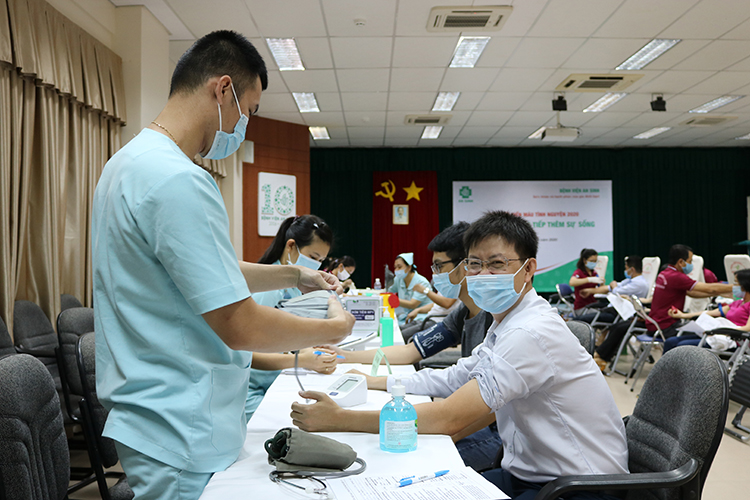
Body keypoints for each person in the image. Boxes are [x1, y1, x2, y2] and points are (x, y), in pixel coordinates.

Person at [92, 31, 355, 500]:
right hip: (180, 421)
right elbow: (240, 324)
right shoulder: (178, 179)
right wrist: (333, 330)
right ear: (224, 89)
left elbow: (202, 269)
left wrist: (293, 274)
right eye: (248, 111)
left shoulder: (128, 164)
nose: (243, 126)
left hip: (156, 410)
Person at [292, 211, 628, 500]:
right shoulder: (506, 324)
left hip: (579, 488)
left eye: (497, 264)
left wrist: (339, 418)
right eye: (475, 264)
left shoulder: (530, 332)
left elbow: (449, 418)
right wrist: (375, 381)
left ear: (528, 270)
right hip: (531, 474)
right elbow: (454, 376)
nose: (483, 275)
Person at [245, 215, 341, 421]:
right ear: (291, 246)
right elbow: (247, 355)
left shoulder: (296, 287)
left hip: (275, 381)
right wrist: (301, 360)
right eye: (313, 257)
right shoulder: (268, 289)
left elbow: (280, 337)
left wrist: (306, 349)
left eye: (320, 261)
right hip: (252, 390)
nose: (316, 265)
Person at [400, 223, 464, 341]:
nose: (434, 274)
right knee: (398, 332)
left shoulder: (455, 284)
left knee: (402, 337)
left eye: (439, 266)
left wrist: (425, 291)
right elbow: (437, 304)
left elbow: (446, 303)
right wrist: (419, 310)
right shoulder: (448, 284)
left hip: (437, 320)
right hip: (429, 317)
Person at [664, 268, 750, 350]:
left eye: (736, 283)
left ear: (745, 285)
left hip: (733, 339)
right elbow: (710, 312)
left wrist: (722, 331)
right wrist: (683, 315)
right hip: (717, 335)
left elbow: (747, 328)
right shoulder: (737, 303)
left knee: (682, 346)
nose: (733, 286)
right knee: (670, 342)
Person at [591, 256, 651, 370]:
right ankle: (601, 355)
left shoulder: (640, 283)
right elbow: (612, 287)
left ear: (632, 269)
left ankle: (600, 355)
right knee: (616, 327)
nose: (625, 270)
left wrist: (616, 289)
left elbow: (616, 289)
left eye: (626, 268)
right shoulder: (630, 280)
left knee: (618, 328)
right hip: (624, 311)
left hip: (629, 313)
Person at [388, 252, 432, 326]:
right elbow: (389, 292)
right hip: (406, 315)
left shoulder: (422, 282)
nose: (396, 270)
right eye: (395, 267)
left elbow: (412, 304)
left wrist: (393, 299)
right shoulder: (398, 279)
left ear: (409, 267)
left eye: (399, 267)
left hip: (421, 316)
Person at [568, 248, 605, 316]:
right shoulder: (579, 272)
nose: (593, 263)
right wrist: (589, 279)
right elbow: (572, 282)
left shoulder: (595, 273)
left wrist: (602, 283)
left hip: (594, 305)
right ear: (585, 260)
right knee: (601, 315)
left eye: (595, 261)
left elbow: (601, 289)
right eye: (591, 261)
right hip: (582, 307)